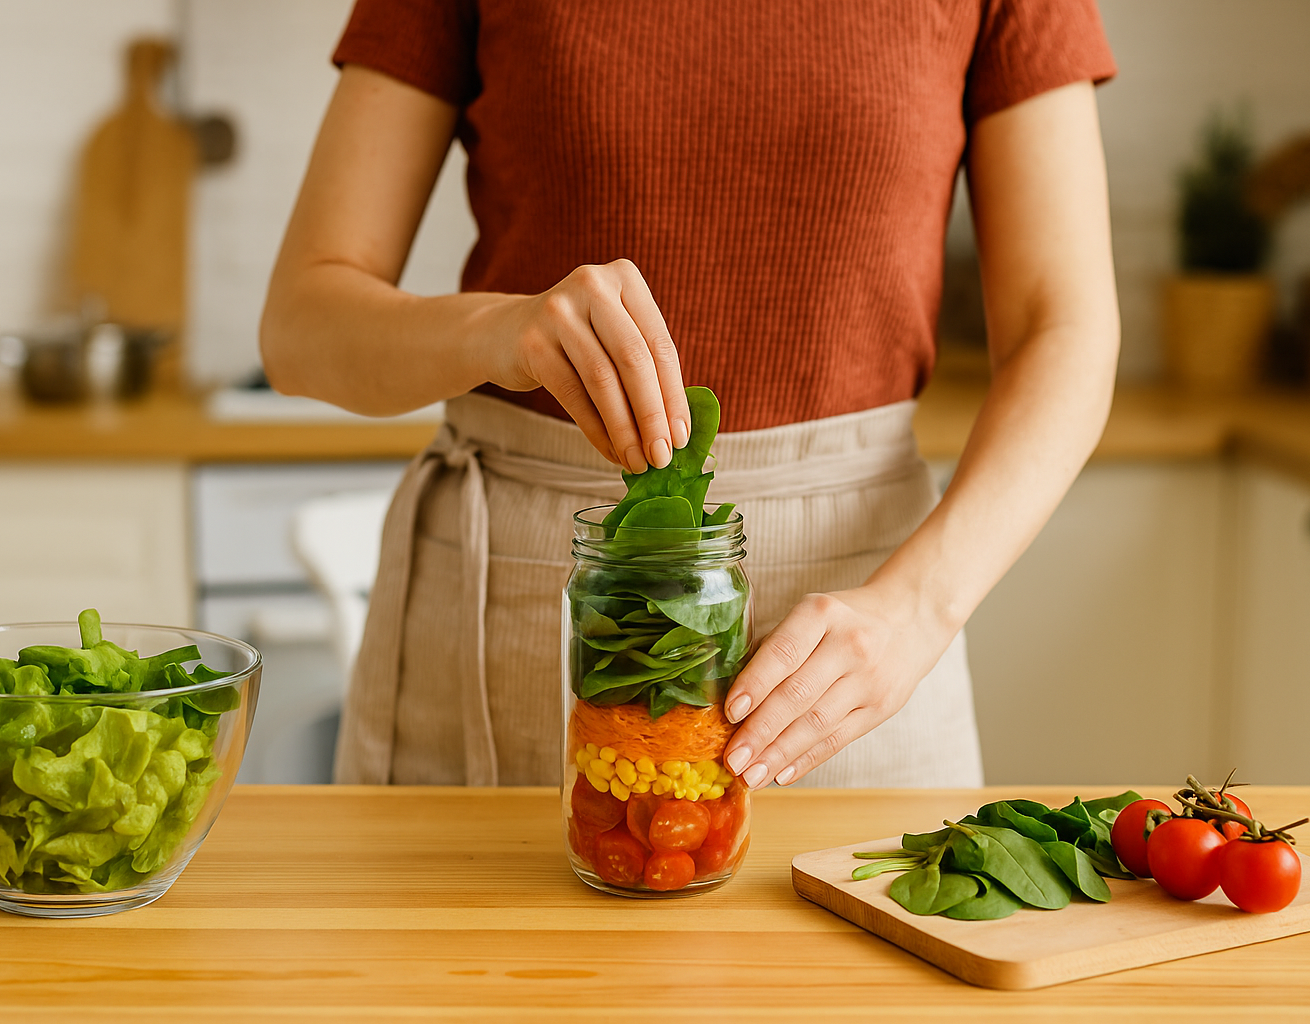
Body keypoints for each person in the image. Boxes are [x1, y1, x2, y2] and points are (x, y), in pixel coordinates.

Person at [260, 1, 1120, 790]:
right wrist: (497, 330)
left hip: (866, 643)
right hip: (517, 616)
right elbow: (299, 327)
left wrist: (919, 608)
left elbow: (1067, 328)